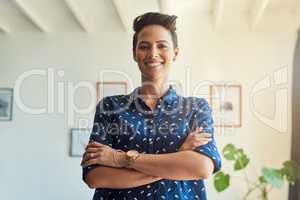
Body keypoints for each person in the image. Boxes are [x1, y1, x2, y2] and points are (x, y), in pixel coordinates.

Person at [81, 12, 221, 200]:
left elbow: (202, 167)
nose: (153, 54)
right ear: (134, 53)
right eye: (144, 46)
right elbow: (96, 177)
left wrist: (121, 159)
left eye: (161, 46)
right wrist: (179, 156)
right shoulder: (110, 106)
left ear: (175, 53)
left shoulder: (196, 108)